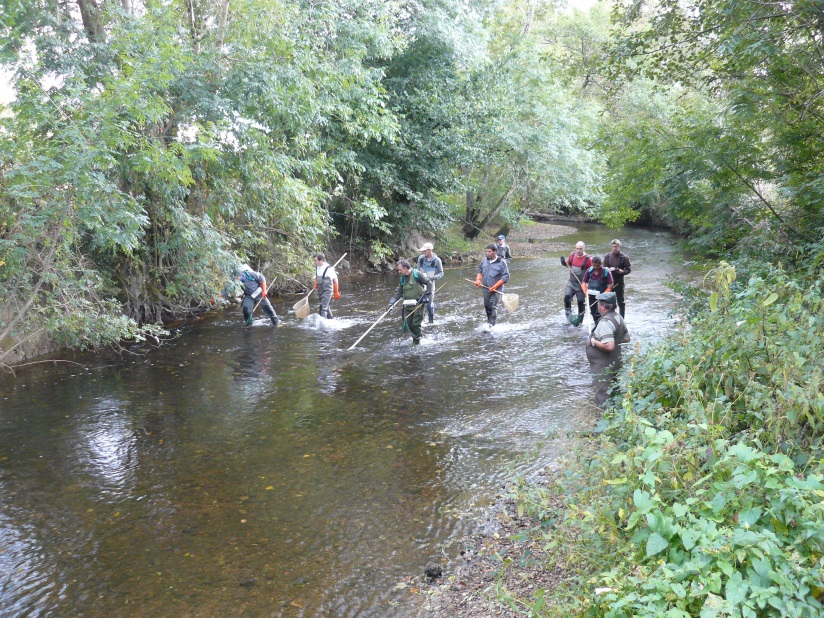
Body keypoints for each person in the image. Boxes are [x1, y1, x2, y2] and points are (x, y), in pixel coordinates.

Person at [586, 292, 630, 406]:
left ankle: (603, 417)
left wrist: (594, 342)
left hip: (603, 366)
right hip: (615, 362)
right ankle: (617, 415)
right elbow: (626, 338)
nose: (597, 306)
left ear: (603, 306)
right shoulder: (618, 317)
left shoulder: (605, 322)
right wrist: (613, 339)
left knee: (602, 395)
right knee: (614, 390)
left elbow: (609, 346)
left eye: (598, 304)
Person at [387, 259, 434, 345]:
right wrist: (392, 302)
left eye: (400, 269)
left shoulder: (417, 274)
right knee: (409, 324)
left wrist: (426, 297)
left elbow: (429, 284)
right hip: (408, 306)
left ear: (406, 268)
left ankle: (417, 342)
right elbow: (399, 292)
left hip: (419, 304)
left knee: (416, 324)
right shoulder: (402, 278)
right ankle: (417, 338)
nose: (399, 271)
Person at [475, 244, 510, 327]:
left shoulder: (502, 263)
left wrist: (496, 286)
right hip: (485, 289)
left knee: (492, 307)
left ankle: (491, 327)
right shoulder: (484, 261)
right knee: (487, 307)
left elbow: (506, 277)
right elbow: (480, 271)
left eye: (489, 252)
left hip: (496, 291)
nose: (487, 253)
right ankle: (489, 323)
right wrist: (478, 280)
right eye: (487, 251)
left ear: (495, 252)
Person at [560, 242, 592, 324]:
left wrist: (588, 284)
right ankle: (568, 317)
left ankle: (580, 321)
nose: (578, 250)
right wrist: (563, 262)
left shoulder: (588, 259)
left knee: (581, 303)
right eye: (577, 249)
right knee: (567, 297)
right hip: (571, 283)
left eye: (580, 249)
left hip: (581, 285)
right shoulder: (572, 255)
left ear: (584, 248)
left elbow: (592, 273)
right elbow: (567, 265)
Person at [582, 256, 614, 328]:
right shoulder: (589, 271)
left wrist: (604, 295)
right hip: (591, 296)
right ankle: (597, 325)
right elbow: (584, 282)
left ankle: (599, 327)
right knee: (593, 312)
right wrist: (585, 291)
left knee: (599, 313)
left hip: (602, 297)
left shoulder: (606, 272)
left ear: (601, 264)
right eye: (594, 265)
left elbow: (611, 285)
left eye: (597, 265)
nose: (595, 267)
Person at [416, 242, 444, 324]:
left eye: (424, 251)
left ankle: (431, 322)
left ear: (429, 250)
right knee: (420, 303)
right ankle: (421, 321)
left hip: (430, 284)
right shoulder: (420, 259)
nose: (423, 252)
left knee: (429, 304)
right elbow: (417, 271)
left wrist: (434, 277)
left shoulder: (437, 260)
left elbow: (441, 273)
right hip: (420, 284)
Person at [602, 239, 631, 318]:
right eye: (613, 246)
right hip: (609, 282)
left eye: (616, 246)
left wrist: (619, 270)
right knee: (609, 301)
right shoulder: (607, 256)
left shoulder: (624, 257)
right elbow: (604, 269)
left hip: (619, 281)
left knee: (620, 301)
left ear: (619, 246)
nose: (614, 248)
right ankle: (610, 317)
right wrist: (608, 270)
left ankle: (622, 318)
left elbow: (628, 270)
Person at [313, 252, 340, 319]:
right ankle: (331, 319)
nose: (314, 262)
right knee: (326, 306)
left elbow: (335, 280)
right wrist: (315, 284)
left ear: (321, 260)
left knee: (322, 307)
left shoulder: (329, 269)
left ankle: (322, 324)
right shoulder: (318, 267)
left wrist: (336, 292)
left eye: (315, 260)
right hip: (320, 290)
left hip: (327, 291)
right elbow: (318, 277)